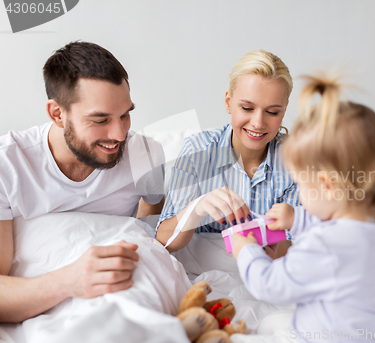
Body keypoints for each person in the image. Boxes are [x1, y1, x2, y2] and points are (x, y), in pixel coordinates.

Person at [230, 74, 375, 342]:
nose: (299, 191)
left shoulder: (324, 246)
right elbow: (337, 228)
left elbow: (271, 285)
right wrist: (296, 219)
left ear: (326, 185)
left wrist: (247, 252)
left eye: (300, 183)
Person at [0, 42, 165, 323]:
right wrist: (70, 280)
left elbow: (154, 220)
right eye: (100, 120)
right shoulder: (8, 166)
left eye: (125, 115)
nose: (120, 134)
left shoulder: (145, 155)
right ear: (57, 114)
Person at [156, 50, 300, 258]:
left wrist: (261, 245)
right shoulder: (198, 151)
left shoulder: (295, 160)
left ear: (284, 111)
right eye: (247, 108)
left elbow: (298, 244)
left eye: (272, 112)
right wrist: (196, 209)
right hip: (200, 271)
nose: (258, 123)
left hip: (265, 273)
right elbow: (163, 240)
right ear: (228, 102)